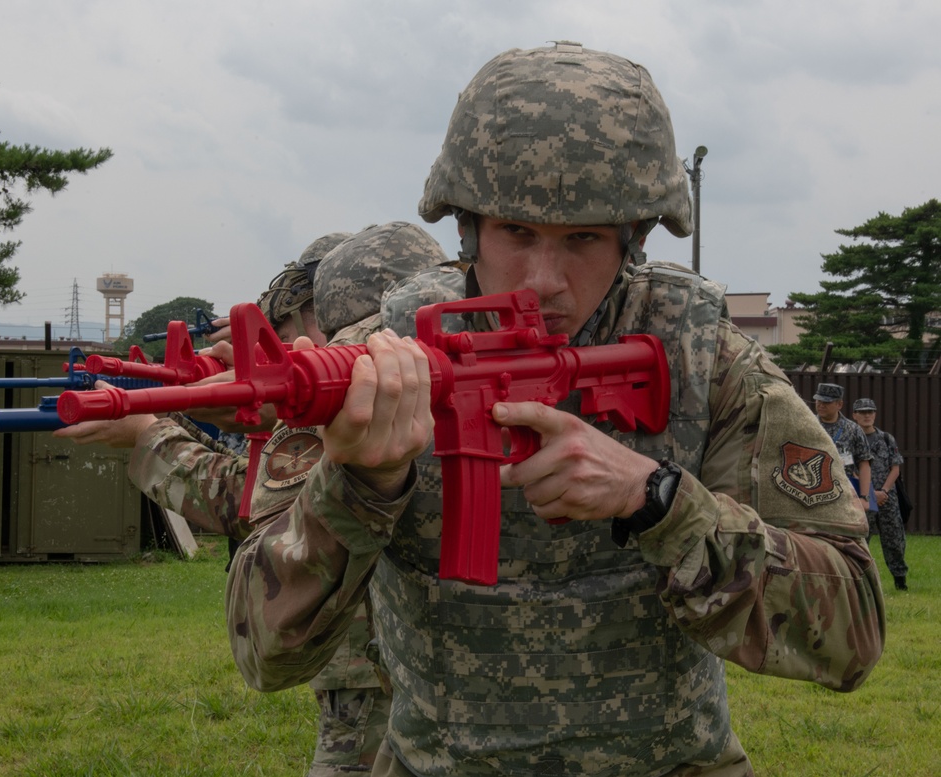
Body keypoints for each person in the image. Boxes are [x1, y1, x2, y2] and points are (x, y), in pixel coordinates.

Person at [225, 42, 886, 777]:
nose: (544, 279)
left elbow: (854, 632)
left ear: (632, 237)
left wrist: (660, 503)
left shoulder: (707, 363)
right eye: (516, 233)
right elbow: (265, 651)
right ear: (468, 227)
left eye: (583, 239)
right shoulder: (370, 364)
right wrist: (356, 487)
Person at [57, 222, 455, 777]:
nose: (296, 344)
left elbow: (251, 514)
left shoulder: (370, 389)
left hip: (369, 664)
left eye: (296, 323)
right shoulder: (425, 371)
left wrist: (150, 438)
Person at [852, 397, 909, 590]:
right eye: (862, 412)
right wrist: (871, 493)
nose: (867, 416)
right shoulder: (851, 438)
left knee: (894, 540)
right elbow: (850, 469)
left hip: (887, 498)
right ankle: (860, 580)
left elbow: (895, 468)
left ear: (875, 414)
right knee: (860, 540)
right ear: (855, 415)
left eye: (870, 412)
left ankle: (900, 580)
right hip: (863, 498)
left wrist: (883, 491)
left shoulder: (886, 438)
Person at [813, 382, 873, 510]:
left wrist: (865, 497)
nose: (821, 405)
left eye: (827, 402)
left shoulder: (853, 430)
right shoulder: (807, 425)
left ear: (839, 404)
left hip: (844, 492)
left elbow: (864, 464)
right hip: (812, 492)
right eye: (819, 401)